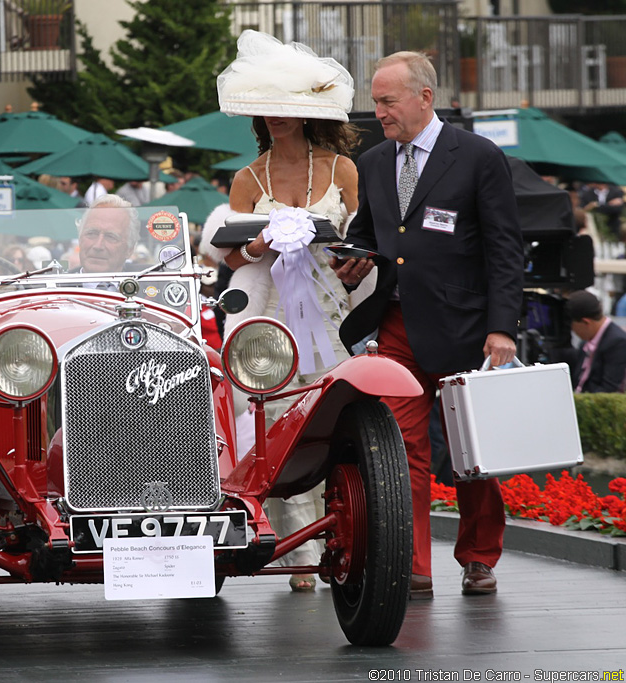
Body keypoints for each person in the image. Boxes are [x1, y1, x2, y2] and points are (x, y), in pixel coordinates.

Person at [330, 51, 523, 599]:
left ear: (424, 97)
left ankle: (479, 557)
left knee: (471, 454)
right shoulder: (372, 163)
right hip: (396, 327)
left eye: (386, 101)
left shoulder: (479, 156)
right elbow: (371, 235)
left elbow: (504, 249)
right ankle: (412, 564)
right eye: (374, 101)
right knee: (401, 449)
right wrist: (352, 258)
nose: (378, 113)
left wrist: (502, 326)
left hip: (466, 330)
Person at [206, 31, 358, 591]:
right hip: (270, 309)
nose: (274, 119)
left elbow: (357, 237)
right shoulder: (248, 179)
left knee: (332, 412)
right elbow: (230, 252)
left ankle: (337, 532)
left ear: (304, 114)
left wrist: (342, 253)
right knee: (274, 417)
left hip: (329, 305)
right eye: (264, 111)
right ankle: (298, 551)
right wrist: (260, 245)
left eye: (283, 110)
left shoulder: (341, 168)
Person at [565, 290, 626, 393]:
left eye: (572, 325)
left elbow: (608, 389)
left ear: (585, 322)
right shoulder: (586, 343)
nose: (572, 330)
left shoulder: (617, 342)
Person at [77, 195, 140, 274]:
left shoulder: (154, 283)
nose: (98, 246)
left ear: (129, 249)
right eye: (91, 234)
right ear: (79, 239)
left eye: (111, 237)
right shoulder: (59, 283)